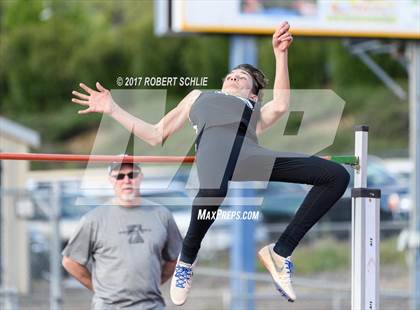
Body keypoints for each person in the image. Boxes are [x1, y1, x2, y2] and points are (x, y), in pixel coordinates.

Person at [71, 21, 350, 305]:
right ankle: (187, 258)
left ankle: (280, 252)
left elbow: (280, 105)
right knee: (215, 190)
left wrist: (280, 54)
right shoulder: (197, 97)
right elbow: (156, 135)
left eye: (242, 78)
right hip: (214, 154)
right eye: (231, 75)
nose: (234, 78)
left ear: (253, 93)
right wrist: (112, 108)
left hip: (249, 157)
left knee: (337, 176)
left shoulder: (253, 109)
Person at [62, 160, 182, 309]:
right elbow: (70, 262)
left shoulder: (162, 215)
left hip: (151, 305)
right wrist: (99, 289)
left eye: (132, 174)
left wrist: (153, 283)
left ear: (141, 177)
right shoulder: (93, 219)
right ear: (111, 180)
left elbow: (176, 258)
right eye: (120, 176)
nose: (127, 180)